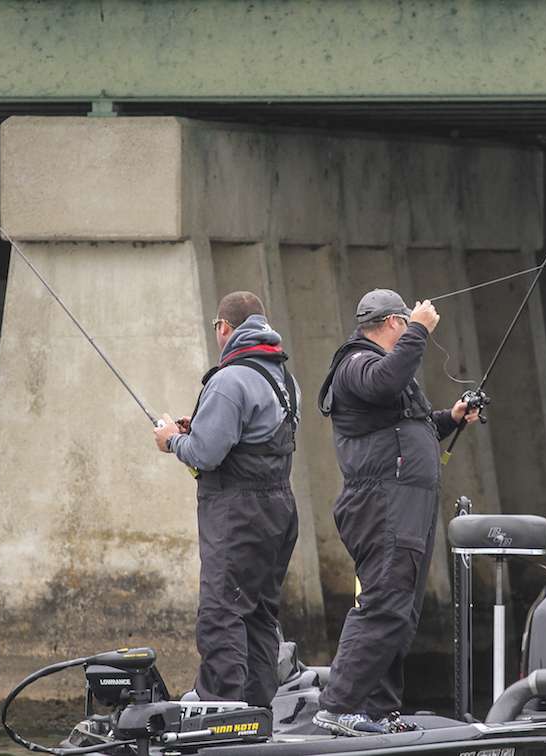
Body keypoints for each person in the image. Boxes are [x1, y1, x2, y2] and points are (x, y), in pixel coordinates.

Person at [313, 289, 479, 736]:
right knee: (383, 604)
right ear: (393, 323)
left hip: (406, 504)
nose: (410, 329)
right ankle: (340, 706)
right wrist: (421, 330)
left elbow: (409, 427)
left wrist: (452, 418)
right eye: (405, 324)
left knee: (401, 612)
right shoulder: (355, 366)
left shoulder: (386, 371)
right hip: (381, 504)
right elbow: (385, 381)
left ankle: (378, 709)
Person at [153, 291, 299, 708]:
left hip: (238, 513)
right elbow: (248, 436)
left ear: (224, 328)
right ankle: (256, 711)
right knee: (258, 614)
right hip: (279, 511)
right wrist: (195, 430)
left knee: (222, 611)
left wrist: (171, 440)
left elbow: (204, 455)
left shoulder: (230, 379)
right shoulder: (284, 379)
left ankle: (218, 705)